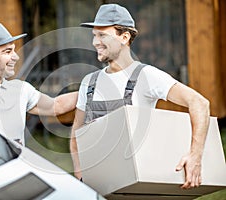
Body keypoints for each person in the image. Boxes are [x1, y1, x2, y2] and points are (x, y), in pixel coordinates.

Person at [70, 4, 210, 189]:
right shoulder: (89, 82)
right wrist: (80, 175)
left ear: (124, 37)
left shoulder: (146, 76)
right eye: (94, 35)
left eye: (102, 35)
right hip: (98, 187)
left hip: (137, 185)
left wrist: (195, 156)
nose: (95, 42)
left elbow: (200, 103)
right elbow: (76, 135)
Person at [0, 23, 77, 146]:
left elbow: (56, 106)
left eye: (14, 50)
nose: (16, 57)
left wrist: (90, 87)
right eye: (8, 52)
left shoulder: (20, 89)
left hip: (17, 165)